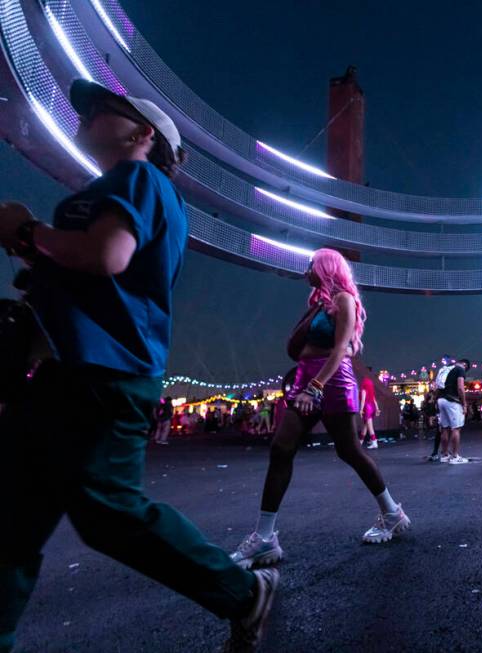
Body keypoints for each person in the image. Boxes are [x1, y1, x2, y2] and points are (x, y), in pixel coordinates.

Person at [0, 79, 276, 652]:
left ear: (142, 134)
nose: (90, 113)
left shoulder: (139, 178)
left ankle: (244, 593)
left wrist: (26, 231)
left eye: (105, 108)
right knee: (14, 519)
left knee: (108, 515)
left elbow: (107, 256)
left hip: (103, 377)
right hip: (73, 375)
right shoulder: (118, 189)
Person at [230, 247, 411, 569]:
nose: (306, 269)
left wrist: (315, 388)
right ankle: (265, 537)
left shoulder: (344, 300)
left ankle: (392, 513)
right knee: (281, 448)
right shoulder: (316, 305)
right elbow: (297, 347)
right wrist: (305, 381)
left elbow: (342, 348)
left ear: (326, 266)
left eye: (311, 264)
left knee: (350, 451)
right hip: (304, 376)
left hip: (333, 378)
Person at [436, 359, 472, 464]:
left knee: (445, 428)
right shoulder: (460, 369)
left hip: (441, 399)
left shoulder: (446, 370)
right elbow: (460, 388)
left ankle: (444, 455)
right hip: (452, 401)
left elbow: (438, 387)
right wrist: (464, 404)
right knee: (456, 428)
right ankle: (455, 456)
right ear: (465, 365)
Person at [359, 367, 380, 449]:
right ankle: (360, 442)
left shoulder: (364, 389)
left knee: (369, 426)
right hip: (372, 407)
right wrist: (377, 408)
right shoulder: (370, 389)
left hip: (367, 408)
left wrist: (361, 410)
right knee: (365, 425)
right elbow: (374, 399)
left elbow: (363, 400)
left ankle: (374, 442)